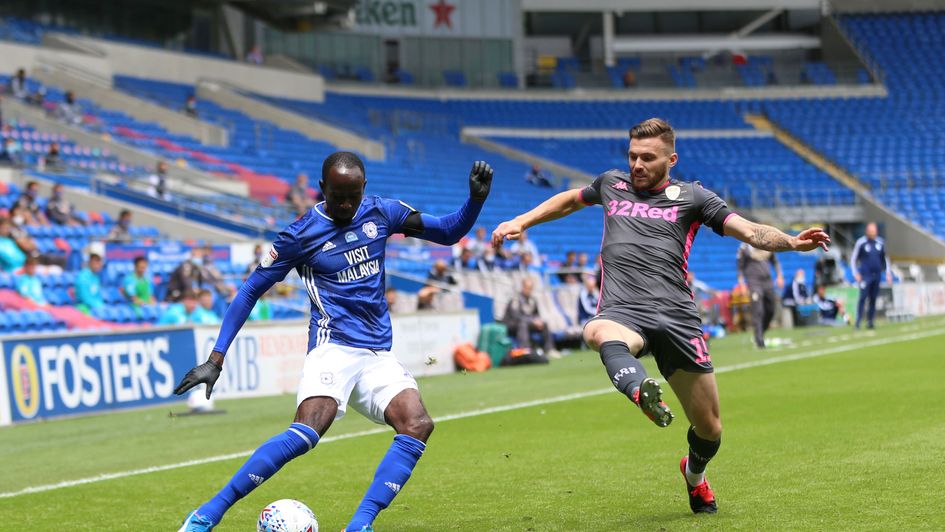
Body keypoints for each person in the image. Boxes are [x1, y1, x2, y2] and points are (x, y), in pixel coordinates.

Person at [491, 118, 829, 515]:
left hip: (677, 317)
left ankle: (695, 475)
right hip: (624, 309)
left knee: (710, 428)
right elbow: (568, 199)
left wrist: (791, 241)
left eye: (647, 158)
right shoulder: (610, 185)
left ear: (671, 159)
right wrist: (520, 221)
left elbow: (750, 231)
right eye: (633, 155)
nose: (637, 164)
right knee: (598, 330)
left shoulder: (694, 198)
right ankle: (639, 389)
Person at [173, 152, 493, 531]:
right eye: (337, 195)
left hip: (377, 353)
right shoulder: (300, 235)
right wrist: (216, 358)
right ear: (322, 188)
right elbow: (249, 291)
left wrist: (474, 201)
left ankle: (359, 525)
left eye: (352, 196)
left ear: (364, 189)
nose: (344, 204)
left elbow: (449, 232)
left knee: (418, 423)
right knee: (308, 431)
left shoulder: (382, 212)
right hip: (333, 347)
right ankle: (207, 514)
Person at [737, 239, 783, 348]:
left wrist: (780, 276)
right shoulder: (744, 248)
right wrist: (741, 283)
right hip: (753, 282)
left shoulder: (766, 245)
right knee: (758, 310)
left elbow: (775, 261)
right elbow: (739, 267)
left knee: (771, 309)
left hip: (768, 282)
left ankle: (761, 332)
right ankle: (759, 340)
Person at [850, 222, 892, 330]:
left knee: (873, 299)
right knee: (863, 298)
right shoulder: (861, 242)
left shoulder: (880, 242)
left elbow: (885, 259)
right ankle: (858, 322)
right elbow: (853, 259)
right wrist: (855, 273)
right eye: (870, 230)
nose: (872, 232)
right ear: (867, 231)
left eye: (874, 230)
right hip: (865, 276)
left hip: (877, 275)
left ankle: (870, 322)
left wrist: (888, 273)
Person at [501, 278, 555, 355]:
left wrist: (538, 321)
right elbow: (516, 316)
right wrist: (532, 321)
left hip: (527, 323)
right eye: (527, 288)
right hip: (511, 324)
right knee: (523, 324)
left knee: (544, 323)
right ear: (523, 287)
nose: (529, 290)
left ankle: (549, 349)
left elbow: (536, 314)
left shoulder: (532, 300)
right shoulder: (515, 299)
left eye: (530, 288)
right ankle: (525, 350)